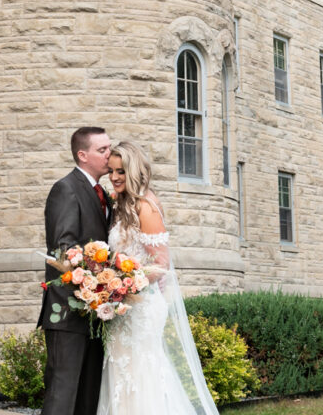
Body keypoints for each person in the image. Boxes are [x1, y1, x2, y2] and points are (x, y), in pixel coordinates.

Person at [97, 140, 219, 415]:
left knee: (142, 374)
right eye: (112, 171)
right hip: (122, 308)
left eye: (121, 172)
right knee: (120, 373)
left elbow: (161, 263)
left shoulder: (146, 206)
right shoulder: (121, 203)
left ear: (134, 171)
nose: (114, 177)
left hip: (140, 309)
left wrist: (124, 284)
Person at [40, 126, 113, 415]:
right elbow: (62, 249)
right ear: (83, 155)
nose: (110, 154)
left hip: (97, 311)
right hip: (68, 311)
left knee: (89, 397)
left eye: (109, 147)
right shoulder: (66, 189)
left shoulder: (103, 194)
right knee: (63, 394)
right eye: (102, 150)